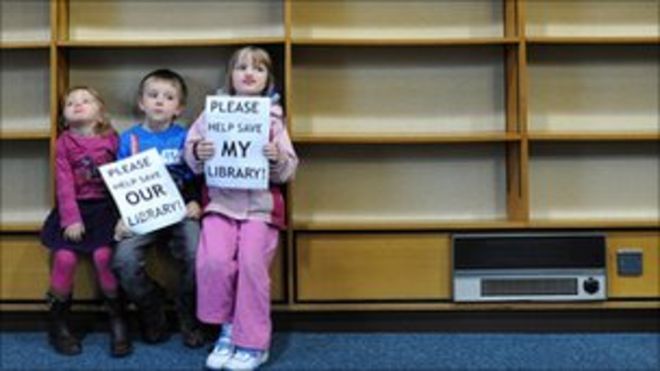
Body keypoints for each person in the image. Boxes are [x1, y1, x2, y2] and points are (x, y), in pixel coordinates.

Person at [185, 46, 298, 371]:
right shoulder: (212, 115)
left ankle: (252, 343)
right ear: (230, 77)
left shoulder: (273, 119)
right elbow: (191, 156)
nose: (249, 73)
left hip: (259, 208)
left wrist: (275, 157)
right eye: (242, 67)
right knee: (214, 262)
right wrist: (199, 151)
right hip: (220, 204)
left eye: (258, 69)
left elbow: (289, 168)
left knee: (251, 266)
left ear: (268, 80)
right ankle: (228, 328)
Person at [112, 69, 204, 348]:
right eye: (153, 96)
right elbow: (120, 183)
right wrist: (122, 218)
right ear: (141, 102)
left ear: (179, 107)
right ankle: (153, 308)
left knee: (197, 251)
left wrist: (196, 201)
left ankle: (188, 316)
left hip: (180, 210)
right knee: (123, 260)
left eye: (168, 97)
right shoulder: (129, 140)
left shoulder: (186, 137)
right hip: (142, 212)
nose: (159, 102)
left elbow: (199, 173)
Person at [40, 86, 132, 357]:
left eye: (85, 100)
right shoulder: (64, 143)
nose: (77, 104)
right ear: (64, 116)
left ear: (100, 112)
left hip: (105, 210)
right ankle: (58, 321)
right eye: (70, 103)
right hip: (75, 210)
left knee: (104, 257)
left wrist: (124, 216)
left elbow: (125, 177)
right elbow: (64, 183)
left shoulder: (113, 140)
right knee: (65, 258)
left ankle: (118, 318)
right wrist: (71, 218)